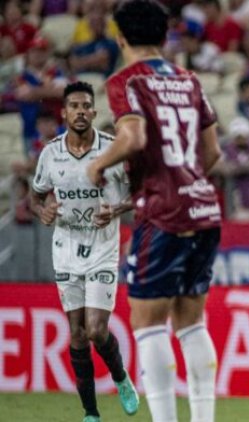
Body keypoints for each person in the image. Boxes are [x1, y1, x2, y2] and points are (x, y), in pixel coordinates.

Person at [85, 1, 222, 421]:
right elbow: (212, 151)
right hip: (203, 208)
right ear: (165, 37)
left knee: (147, 324)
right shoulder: (189, 80)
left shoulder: (126, 81)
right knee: (191, 323)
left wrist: (97, 164)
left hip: (162, 214)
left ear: (120, 37)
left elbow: (134, 137)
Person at [30, 81, 138, 422]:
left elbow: (142, 193)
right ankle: (91, 413)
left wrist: (117, 210)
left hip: (103, 244)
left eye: (85, 106)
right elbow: (35, 196)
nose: (79, 111)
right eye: (73, 106)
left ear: (93, 112)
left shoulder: (113, 150)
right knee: (75, 333)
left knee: (95, 330)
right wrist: (41, 211)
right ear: (64, 113)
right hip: (64, 246)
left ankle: (121, 378)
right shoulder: (50, 154)